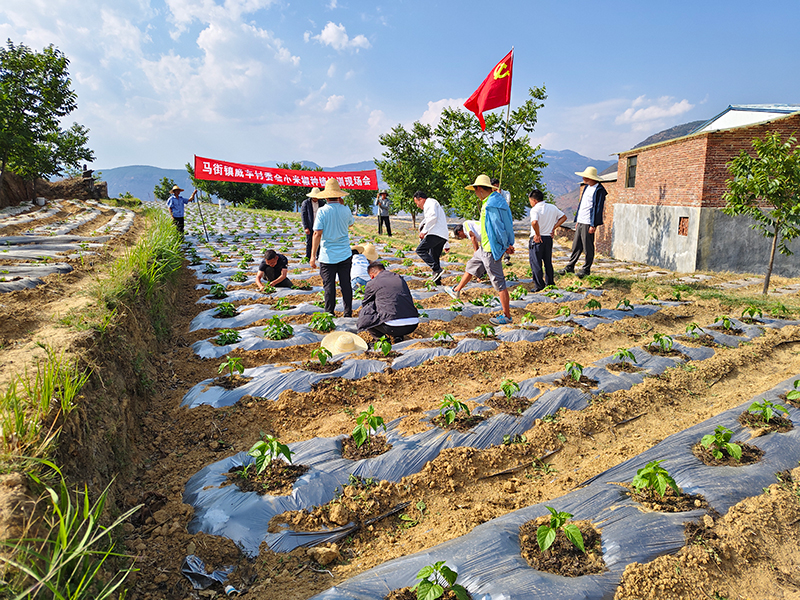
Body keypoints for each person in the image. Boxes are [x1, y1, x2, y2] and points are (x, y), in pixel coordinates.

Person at [463, 174, 516, 325]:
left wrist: (506, 246)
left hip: (490, 249)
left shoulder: (490, 205)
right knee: (472, 265)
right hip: (485, 247)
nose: (475, 194)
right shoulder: (496, 200)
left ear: (479, 189)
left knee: (499, 283)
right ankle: (456, 290)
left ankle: (507, 316)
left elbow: (498, 227)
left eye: (474, 190)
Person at [311, 178, 356, 317]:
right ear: (339, 195)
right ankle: (348, 312)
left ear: (326, 196)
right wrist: (342, 207)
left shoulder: (322, 211)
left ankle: (329, 313)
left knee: (329, 286)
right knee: (346, 284)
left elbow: (317, 233)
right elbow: (350, 224)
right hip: (344, 253)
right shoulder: (345, 209)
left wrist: (313, 255)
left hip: (327, 255)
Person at [559, 166, 607, 278]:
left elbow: (598, 208)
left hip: (588, 222)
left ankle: (586, 269)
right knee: (576, 245)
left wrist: (593, 224)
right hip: (581, 220)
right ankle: (570, 266)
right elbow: (582, 205)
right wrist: (577, 220)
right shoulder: (586, 187)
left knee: (588, 246)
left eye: (585, 176)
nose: (583, 178)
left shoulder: (599, 190)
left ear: (591, 178)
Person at [357, 261, 419, 344]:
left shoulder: (372, 283)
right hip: (413, 324)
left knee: (366, 316)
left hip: (392, 327)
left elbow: (366, 304)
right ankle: (398, 338)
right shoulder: (399, 278)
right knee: (396, 303)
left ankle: (383, 342)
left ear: (372, 275)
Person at [528, 190, 567, 291]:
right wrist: (553, 228)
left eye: (530, 201)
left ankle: (539, 286)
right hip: (548, 238)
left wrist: (537, 234)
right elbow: (563, 217)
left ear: (534, 200)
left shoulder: (535, 209)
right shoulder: (552, 207)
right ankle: (550, 283)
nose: (530, 203)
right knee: (547, 262)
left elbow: (534, 222)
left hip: (537, 238)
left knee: (536, 263)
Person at [413, 191, 449, 284]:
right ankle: (438, 282)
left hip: (435, 234)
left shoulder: (430, 202)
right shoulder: (433, 205)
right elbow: (440, 222)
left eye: (417, 203)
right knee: (434, 257)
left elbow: (433, 217)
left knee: (420, 250)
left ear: (420, 199)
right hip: (442, 236)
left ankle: (437, 270)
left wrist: (424, 231)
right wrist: (446, 244)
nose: (417, 206)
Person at [444, 220, 485, 300]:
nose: (462, 238)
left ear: (459, 231)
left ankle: (456, 290)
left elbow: (473, 237)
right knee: (488, 262)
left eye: (460, 236)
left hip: (489, 242)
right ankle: (481, 276)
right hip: (491, 242)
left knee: (471, 265)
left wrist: (476, 251)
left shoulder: (466, 224)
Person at [491, 177, 513, 266]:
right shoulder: (491, 194)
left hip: (504, 218)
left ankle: (506, 257)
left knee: (506, 236)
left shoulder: (506, 193)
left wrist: (499, 196)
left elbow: (506, 205)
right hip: (496, 218)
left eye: (496, 186)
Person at [300, 187, 325, 260]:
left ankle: (318, 255)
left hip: (319, 225)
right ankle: (308, 256)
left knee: (319, 241)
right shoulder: (306, 203)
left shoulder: (322, 203)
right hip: (310, 225)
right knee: (309, 241)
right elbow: (303, 215)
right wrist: (305, 227)